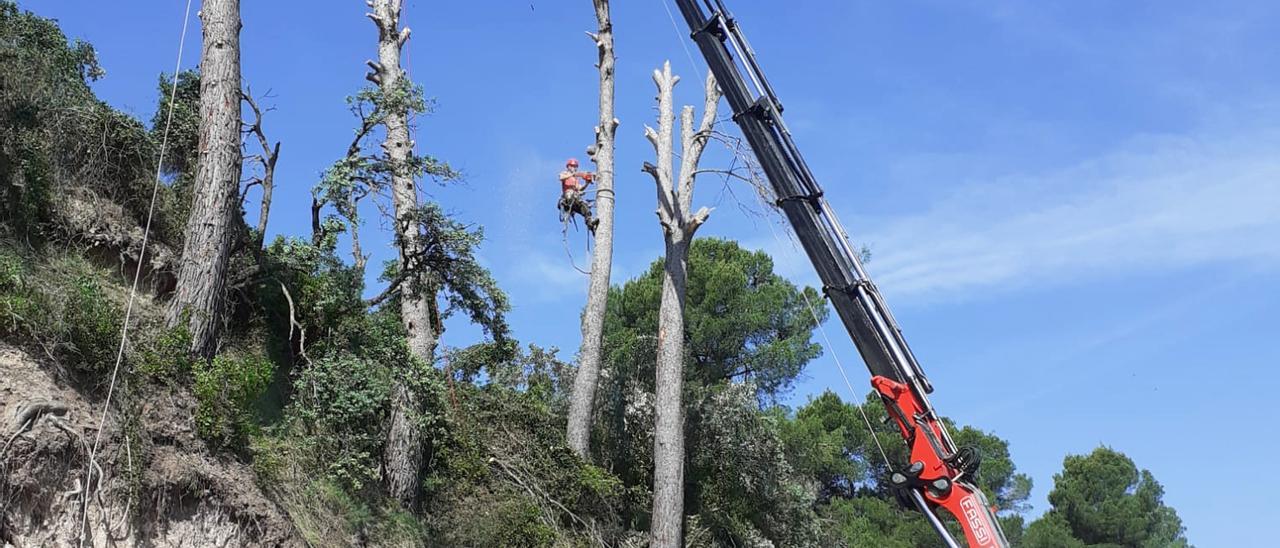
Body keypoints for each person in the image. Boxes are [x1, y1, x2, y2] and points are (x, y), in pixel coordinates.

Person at [558, 158, 599, 233]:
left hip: (575, 199)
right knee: (574, 196)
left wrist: (587, 183)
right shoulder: (565, 174)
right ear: (568, 167)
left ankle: (590, 223)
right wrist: (572, 175)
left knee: (585, 207)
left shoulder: (575, 179)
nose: (574, 168)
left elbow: (580, 189)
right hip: (568, 197)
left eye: (575, 166)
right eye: (573, 166)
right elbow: (561, 178)